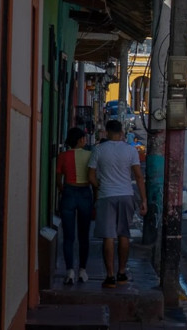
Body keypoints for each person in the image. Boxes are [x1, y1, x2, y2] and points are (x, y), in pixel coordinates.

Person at [88, 119, 147, 288]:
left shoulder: (98, 150)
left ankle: (110, 276)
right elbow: (138, 176)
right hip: (126, 195)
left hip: (106, 196)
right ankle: (122, 273)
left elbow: (91, 177)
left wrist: (101, 186)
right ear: (121, 133)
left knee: (108, 237)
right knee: (124, 234)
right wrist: (143, 200)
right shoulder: (130, 151)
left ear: (106, 132)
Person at [56, 127, 93, 285]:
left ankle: (69, 271)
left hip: (69, 192)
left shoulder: (63, 156)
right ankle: (82, 271)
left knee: (69, 236)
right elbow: (93, 176)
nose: (85, 140)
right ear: (80, 140)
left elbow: (58, 178)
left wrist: (63, 190)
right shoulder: (90, 155)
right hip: (84, 192)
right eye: (83, 138)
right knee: (84, 235)